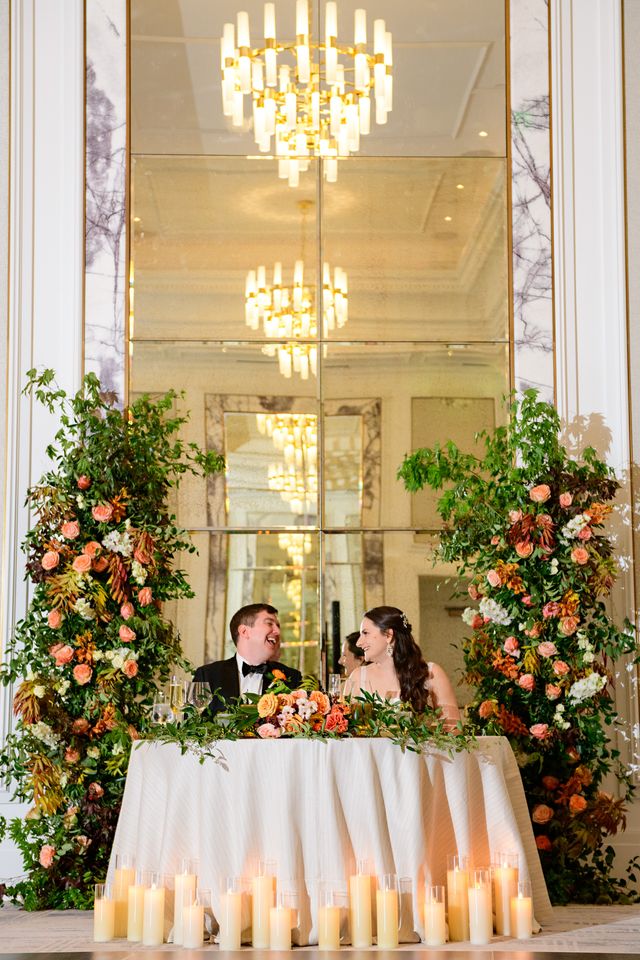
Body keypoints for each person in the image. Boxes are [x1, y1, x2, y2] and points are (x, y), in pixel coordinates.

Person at [343, 606, 461, 728]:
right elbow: (346, 730)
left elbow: (453, 730)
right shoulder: (357, 677)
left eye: (365, 633)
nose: (358, 643)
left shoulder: (431, 673)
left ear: (389, 635)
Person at [194, 603, 302, 712]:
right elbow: (190, 720)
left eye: (278, 626)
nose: (278, 631)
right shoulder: (205, 675)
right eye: (269, 623)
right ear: (244, 632)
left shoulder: (293, 678)